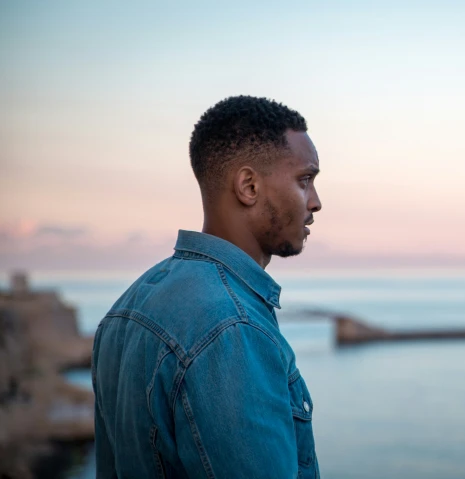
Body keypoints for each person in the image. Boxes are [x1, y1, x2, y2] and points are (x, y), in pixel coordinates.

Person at [92, 96, 322, 478]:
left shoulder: (126, 308)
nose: (315, 202)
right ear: (249, 186)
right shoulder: (233, 329)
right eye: (305, 180)